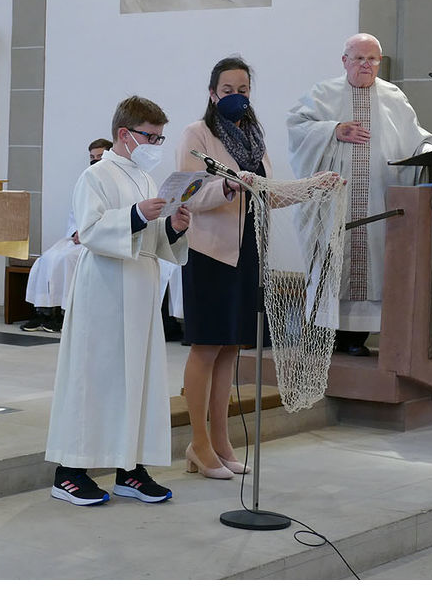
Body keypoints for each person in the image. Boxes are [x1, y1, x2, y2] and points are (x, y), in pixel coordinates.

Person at [45, 96, 190, 506]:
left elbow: (153, 240)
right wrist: (137, 215)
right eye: (151, 137)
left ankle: (130, 469)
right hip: (106, 289)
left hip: (141, 286)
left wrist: (174, 227)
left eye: (161, 138)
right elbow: (89, 231)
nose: (156, 146)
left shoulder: (144, 178)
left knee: (138, 379)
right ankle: (70, 471)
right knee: (95, 377)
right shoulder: (97, 175)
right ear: (124, 134)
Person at [286, 33, 432, 356]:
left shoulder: (394, 97)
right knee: (332, 264)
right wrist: (333, 130)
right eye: (359, 58)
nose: (366, 65)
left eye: (372, 59)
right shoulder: (323, 94)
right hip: (334, 204)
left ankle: (356, 339)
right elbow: (297, 127)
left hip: (377, 203)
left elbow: (415, 140)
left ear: (380, 63)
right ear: (344, 61)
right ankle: (328, 337)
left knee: (372, 267)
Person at [177, 56, 270, 480]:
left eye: (243, 90)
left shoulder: (253, 137)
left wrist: (315, 187)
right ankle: (197, 442)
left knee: (231, 347)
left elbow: (267, 191)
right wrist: (228, 185)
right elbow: (189, 194)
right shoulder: (197, 134)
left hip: (246, 250)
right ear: (213, 94)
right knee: (207, 346)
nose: (236, 97)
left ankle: (221, 439)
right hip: (210, 252)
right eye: (228, 91)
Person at [20, 138, 113, 333]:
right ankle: (43, 311)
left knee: (67, 259)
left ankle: (65, 314)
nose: (95, 161)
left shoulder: (115, 182)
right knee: (47, 259)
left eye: (99, 157)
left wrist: (89, 232)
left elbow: (114, 215)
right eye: (92, 157)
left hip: (99, 241)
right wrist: (76, 231)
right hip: (79, 238)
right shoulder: (86, 181)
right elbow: (75, 212)